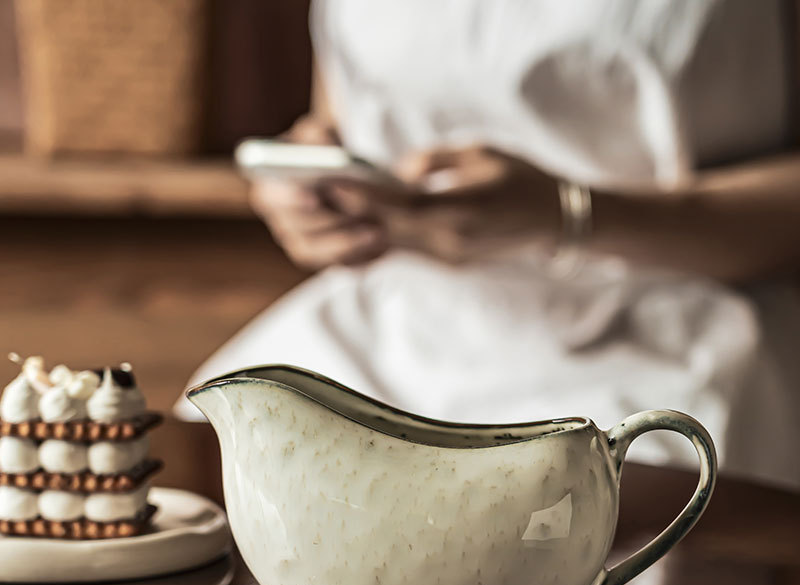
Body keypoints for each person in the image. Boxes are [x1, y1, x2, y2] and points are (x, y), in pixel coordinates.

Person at [178, 0, 800, 490]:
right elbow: (339, 122)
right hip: (386, 335)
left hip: (674, 348)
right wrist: (310, 198)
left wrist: (567, 214)